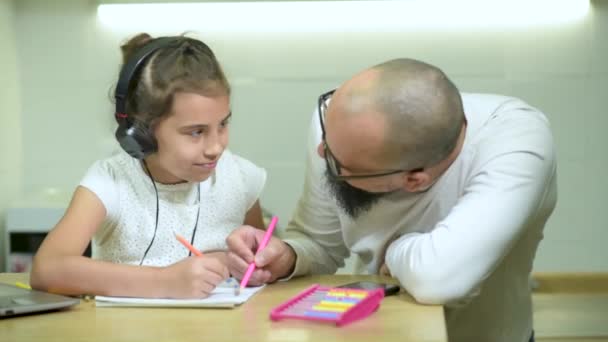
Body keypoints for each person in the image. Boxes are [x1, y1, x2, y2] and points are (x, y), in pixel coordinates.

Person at [226, 58, 557, 342]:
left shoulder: (516, 143)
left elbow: (439, 278)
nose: (321, 153)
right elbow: (319, 242)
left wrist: (394, 251)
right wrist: (288, 254)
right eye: (327, 134)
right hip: (379, 332)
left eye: (340, 166)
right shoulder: (342, 125)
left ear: (414, 180)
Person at [31, 33, 266, 299]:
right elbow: (47, 270)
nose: (215, 147)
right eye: (196, 132)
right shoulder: (110, 181)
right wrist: (164, 281)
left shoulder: (240, 177)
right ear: (141, 132)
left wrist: (253, 262)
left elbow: (254, 260)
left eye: (222, 124)